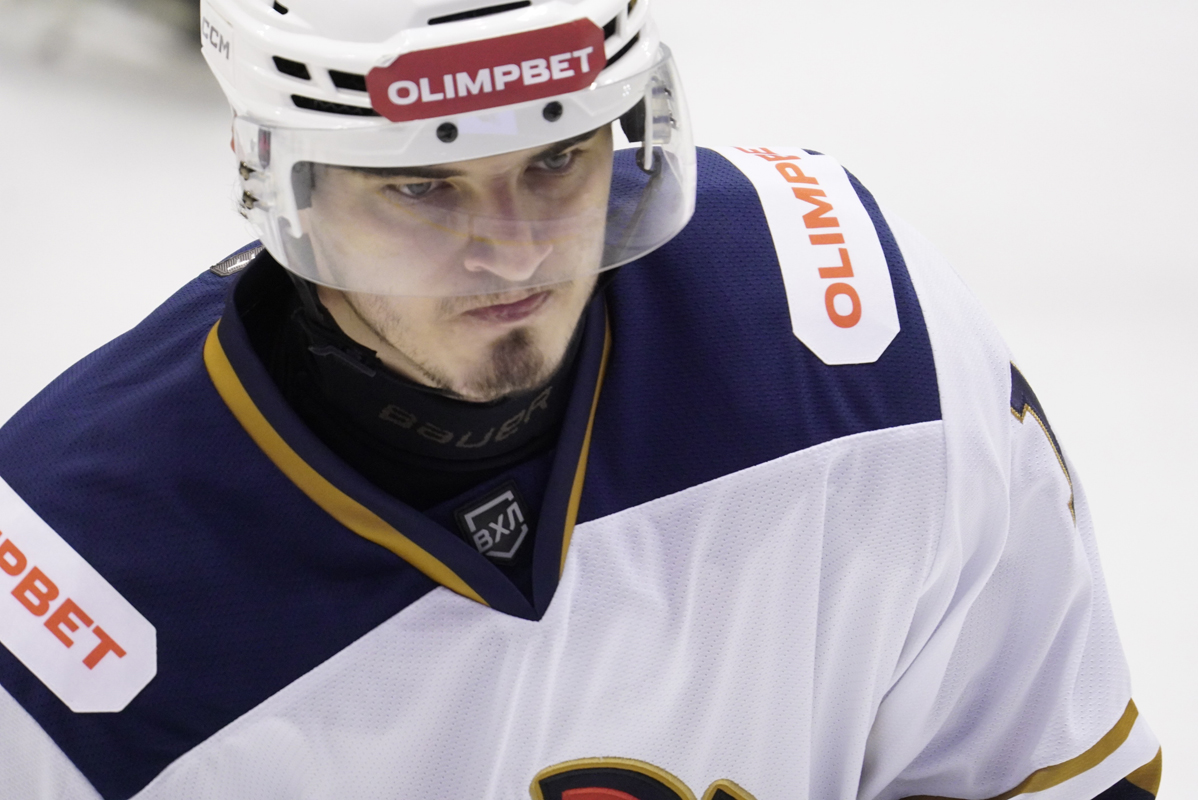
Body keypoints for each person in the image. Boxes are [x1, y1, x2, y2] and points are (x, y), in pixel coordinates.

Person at [0, 0, 1162, 797]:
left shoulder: (855, 360)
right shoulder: (75, 603)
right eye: (421, 187)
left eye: (556, 160)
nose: (513, 253)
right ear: (282, 182)